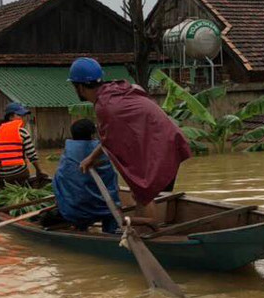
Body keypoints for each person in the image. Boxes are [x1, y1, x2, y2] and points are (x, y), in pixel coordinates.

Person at [68, 56, 191, 222]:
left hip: (160, 146)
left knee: (142, 195)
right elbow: (110, 139)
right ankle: (155, 230)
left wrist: (95, 159)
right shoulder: (114, 90)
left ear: (80, 87)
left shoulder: (105, 106)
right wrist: (92, 158)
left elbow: (114, 144)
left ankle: (146, 237)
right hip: (169, 141)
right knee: (144, 193)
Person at [49, 118, 120, 233]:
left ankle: (80, 227)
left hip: (75, 209)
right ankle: (110, 232)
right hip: (106, 209)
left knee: (64, 185)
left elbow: (59, 181)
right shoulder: (101, 150)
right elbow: (112, 179)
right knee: (111, 210)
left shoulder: (68, 153)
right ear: (93, 134)